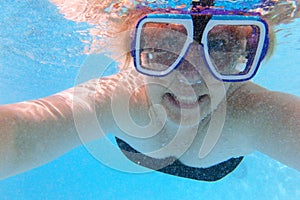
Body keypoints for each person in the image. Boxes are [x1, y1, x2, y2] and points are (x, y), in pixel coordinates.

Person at [0, 0, 299, 181]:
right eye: (165, 43)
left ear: (244, 55)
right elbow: (16, 136)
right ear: (133, 53)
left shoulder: (254, 112)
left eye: (220, 45)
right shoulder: (118, 96)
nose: (191, 77)